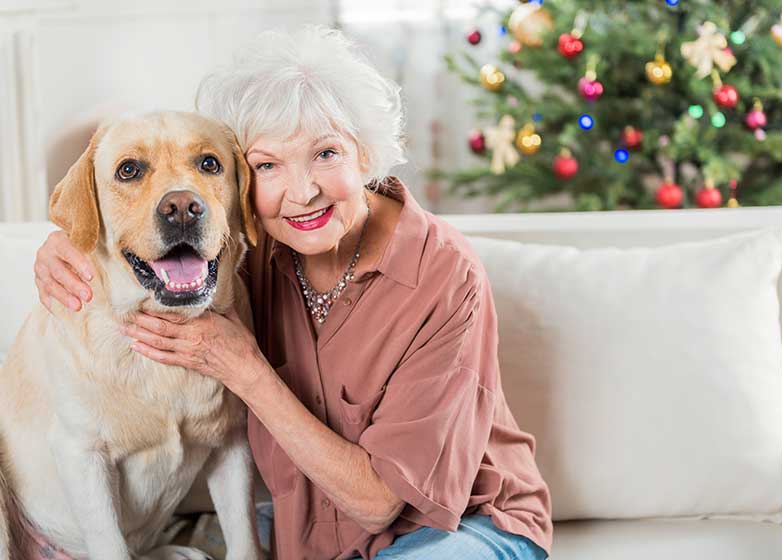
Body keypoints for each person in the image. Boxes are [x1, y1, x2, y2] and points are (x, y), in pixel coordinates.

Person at [33, 25, 552, 560]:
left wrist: (246, 370)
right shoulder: (252, 250)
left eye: (326, 154)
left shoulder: (442, 275)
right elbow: (146, 226)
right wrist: (64, 246)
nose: (303, 192)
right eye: (267, 165)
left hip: (461, 528)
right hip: (310, 535)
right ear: (242, 183)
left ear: (365, 154)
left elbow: (379, 504)